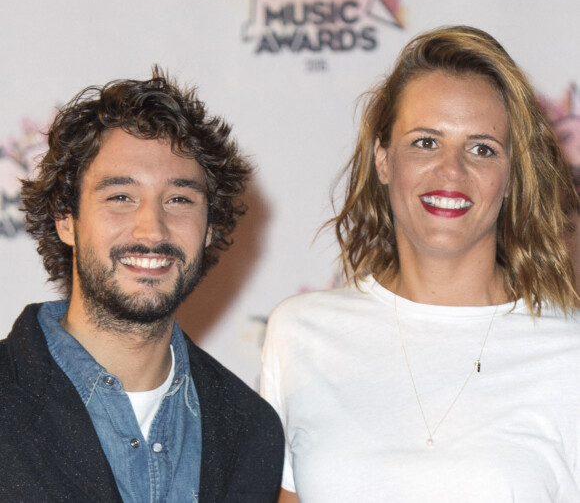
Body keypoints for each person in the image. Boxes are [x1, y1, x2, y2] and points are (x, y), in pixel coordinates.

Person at [261, 26, 580, 502]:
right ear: (384, 160)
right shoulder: (299, 333)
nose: (452, 170)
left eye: (482, 148)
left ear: (512, 176)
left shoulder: (568, 351)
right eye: (426, 142)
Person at [0, 67, 284, 502]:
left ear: (209, 229)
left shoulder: (251, 431)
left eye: (179, 199)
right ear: (66, 219)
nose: (152, 230)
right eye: (120, 197)